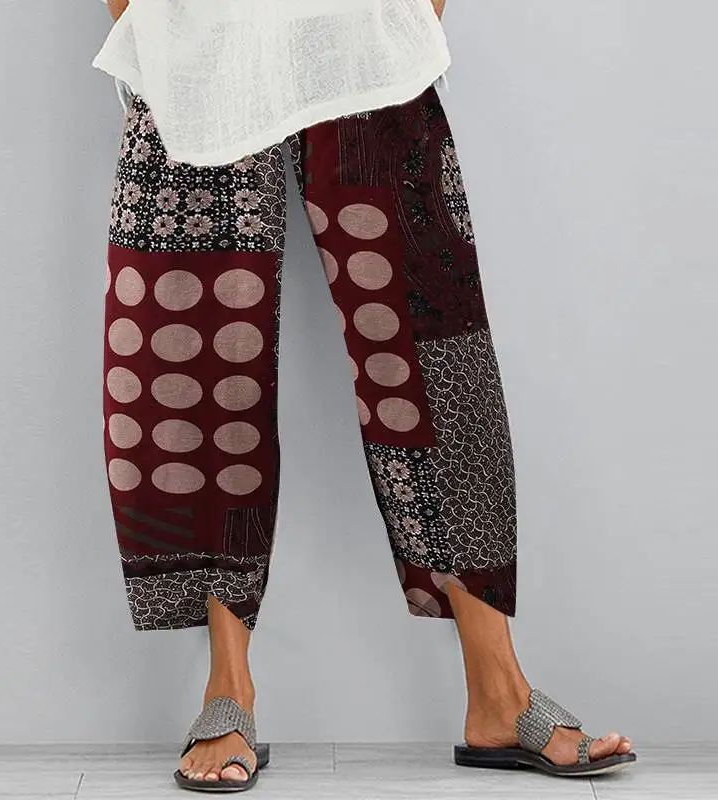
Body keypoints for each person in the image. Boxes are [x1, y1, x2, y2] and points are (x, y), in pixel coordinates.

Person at [94, 1, 636, 792]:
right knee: (195, 377)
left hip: (361, 47)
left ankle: (499, 693)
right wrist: (148, 29)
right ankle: (226, 690)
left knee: (438, 365)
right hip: (197, 54)